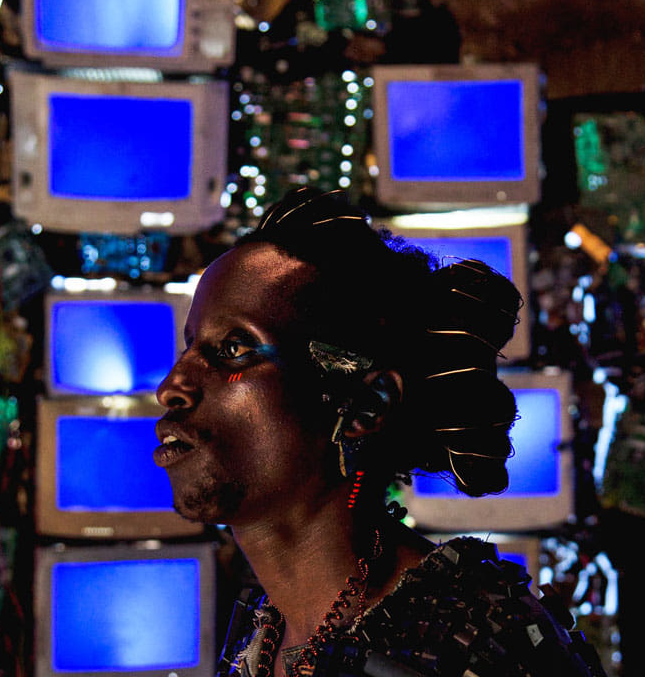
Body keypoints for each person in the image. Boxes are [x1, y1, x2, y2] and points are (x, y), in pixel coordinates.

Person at [155, 188, 606, 677]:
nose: (171, 387)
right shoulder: (265, 636)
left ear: (365, 406)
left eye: (234, 349)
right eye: (188, 347)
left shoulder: (477, 645)